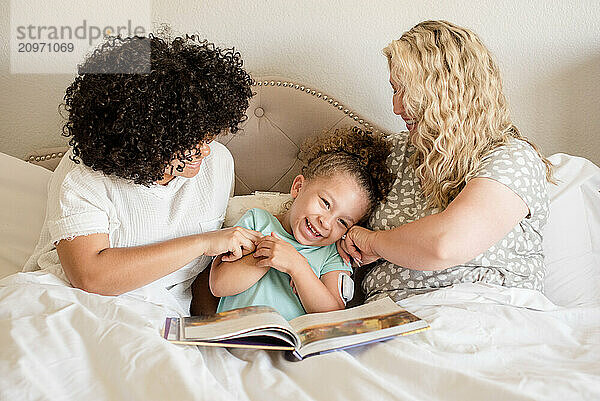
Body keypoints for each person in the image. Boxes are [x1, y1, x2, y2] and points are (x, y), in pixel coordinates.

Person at [23, 34, 260, 314]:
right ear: (147, 139)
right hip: (69, 303)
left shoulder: (219, 163)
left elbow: (197, 278)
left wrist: (214, 329)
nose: (205, 152)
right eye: (191, 142)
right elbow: (91, 277)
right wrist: (204, 242)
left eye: (208, 138)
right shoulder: (84, 173)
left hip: (162, 317)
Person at [338, 20, 556, 303]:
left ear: (450, 92)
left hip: (486, 308)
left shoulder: (513, 158)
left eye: (408, 91)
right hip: (390, 319)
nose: (397, 108)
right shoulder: (389, 155)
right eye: (394, 90)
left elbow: (445, 245)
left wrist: (373, 242)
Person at [209, 127, 394, 320]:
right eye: (325, 203)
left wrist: (297, 267)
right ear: (298, 187)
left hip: (292, 347)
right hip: (234, 341)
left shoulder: (333, 253)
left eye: (342, 222)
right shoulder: (257, 221)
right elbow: (219, 285)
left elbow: (334, 315)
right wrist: (269, 255)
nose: (326, 223)